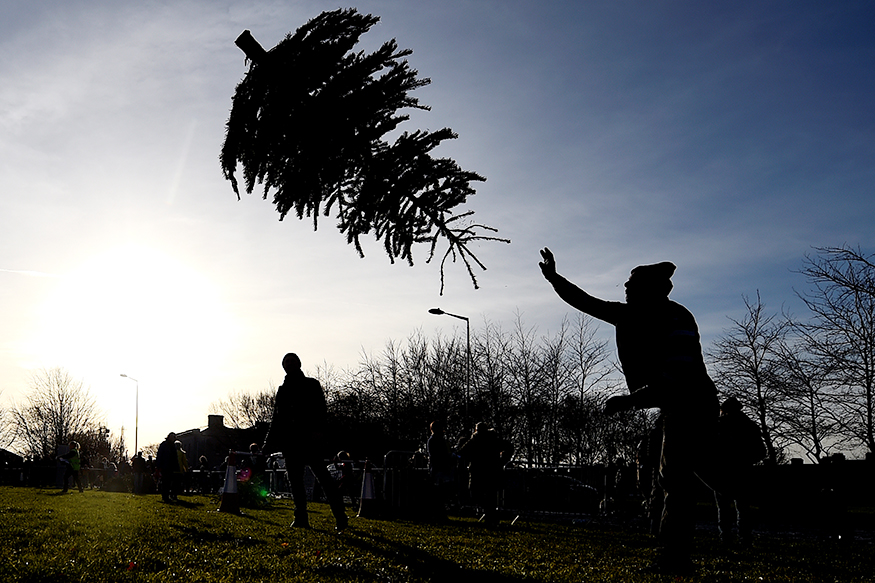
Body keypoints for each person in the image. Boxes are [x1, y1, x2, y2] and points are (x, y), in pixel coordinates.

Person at [539, 247, 720, 575]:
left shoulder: (676, 318)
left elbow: (677, 376)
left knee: (677, 479)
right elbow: (585, 302)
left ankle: (674, 558)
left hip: (693, 404)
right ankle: (675, 553)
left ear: (653, 290)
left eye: (632, 283)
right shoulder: (629, 315)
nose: (625, 286)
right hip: (675, 406)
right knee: (679, 476)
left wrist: (630, 400)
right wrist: (554, 278)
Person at [262, 352, 348, 532]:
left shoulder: (311, 384)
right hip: (291, 442)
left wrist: (318, 432)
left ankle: (340, 517)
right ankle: (300, 517)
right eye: (286, 362)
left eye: (292, 361)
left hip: (309, 440)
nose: (289, 364)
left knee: (324, 478)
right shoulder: (283, 390)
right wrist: (267, 444)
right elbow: (276, 419)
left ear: (299, 364)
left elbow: (321, 410)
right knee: (295, 482)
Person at [714, 396, 766, 547]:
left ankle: (726, 538)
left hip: (722, 471)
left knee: (724, 508)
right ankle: (745, 538)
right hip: (743, 471)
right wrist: (747, 460)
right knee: (743, 508)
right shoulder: (750, 426)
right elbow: (761, 452)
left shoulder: (718, 426)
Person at [458, 422, 513, 527]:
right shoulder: (491, 440)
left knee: (478, 494)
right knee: (488, 496)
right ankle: (491, 516)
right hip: (489, 471)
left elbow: (462, 452)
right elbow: (509, 446)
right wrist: (503, 460)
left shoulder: (476, 440)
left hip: (479, 471)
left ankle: (491, 518)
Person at [156, 432, 180, 502]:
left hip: (170, 466)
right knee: (165, 482)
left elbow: (175, 457)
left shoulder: (172, 446)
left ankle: (167, 495)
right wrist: (158, 465)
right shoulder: (165, 445)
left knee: (169, 482)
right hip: (165, 466)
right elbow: (160, 455)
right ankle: (165, 496)